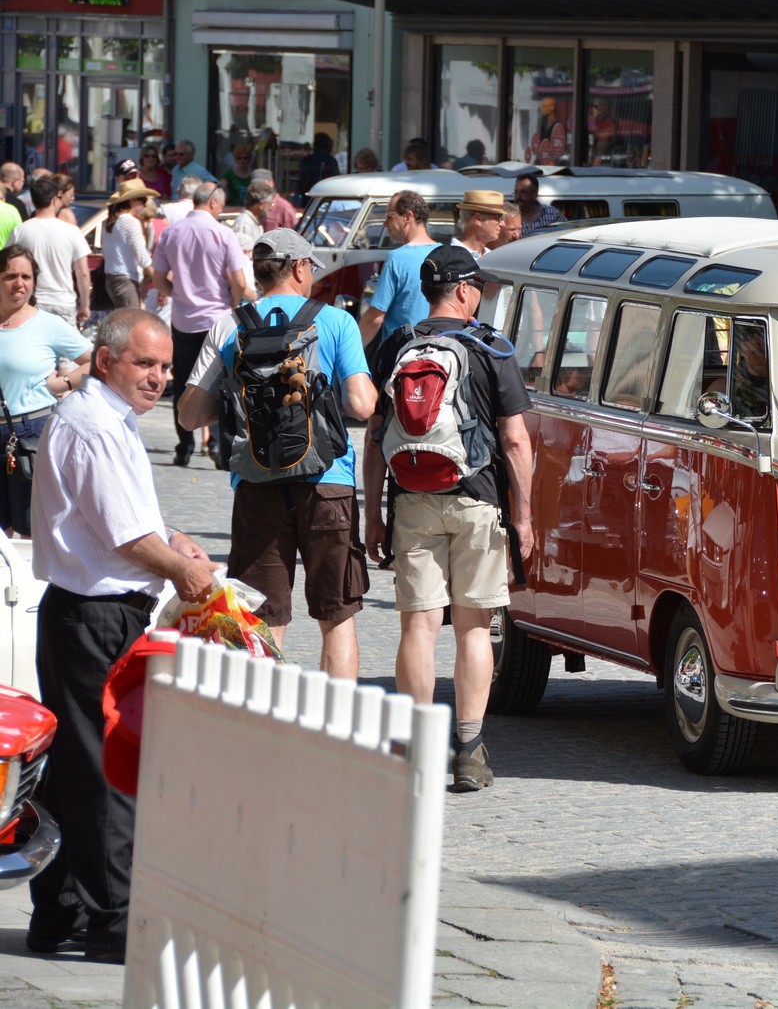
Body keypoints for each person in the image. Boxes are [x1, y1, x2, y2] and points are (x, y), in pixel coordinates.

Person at [28, 309, 218, 964]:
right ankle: (114, 920)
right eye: (146, 363)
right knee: (103, 770)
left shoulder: (106, 417)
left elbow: (130, 521)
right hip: (95, 613)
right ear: (107, 360)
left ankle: (61, 911)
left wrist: (174, 540)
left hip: (91, 611)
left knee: (75, 769)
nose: (159, 377)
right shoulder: (94, 423)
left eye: (165, 366)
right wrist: (184, 571)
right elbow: (124, 537)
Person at [362, 245, 534, 792]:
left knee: (418, 625)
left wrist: (374, 514)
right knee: (473, 627)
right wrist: (525, 517)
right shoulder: (491, 348)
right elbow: (515, 440)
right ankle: (469, 750)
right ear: (463, 290)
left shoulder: (397, 344)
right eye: (477, 287)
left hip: (411, 498)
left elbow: (374, 436)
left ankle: (417, 748)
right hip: (477, 501)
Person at [177, 231, 377, 678]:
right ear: (301, 267)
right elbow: (362, 405)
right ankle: (336, 717)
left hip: (257, 484)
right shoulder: (336, 321)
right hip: (327, 483)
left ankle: (264, 715)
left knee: (262, 618)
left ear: (259, 273)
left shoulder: (228, 326)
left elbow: (190, 417)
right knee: (337, 616)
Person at [153, 182, 252, 466]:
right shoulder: (223, 233)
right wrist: (233, 302)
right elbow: (239, 281)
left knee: (183, 384)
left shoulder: (171, 233)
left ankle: (184, 446)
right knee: (221, 384)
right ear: (213, 202)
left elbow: (158, 279)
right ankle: (218, 447)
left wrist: (178, 294)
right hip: (217, 321)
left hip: (184, 319)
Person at [0, 246, 91, 536]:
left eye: (26, 276)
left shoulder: (48, 325)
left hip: (31, 433)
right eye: (10, 276)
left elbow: (99, 362)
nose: (19, 283)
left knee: (31, 528)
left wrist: (64, 384)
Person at [361, 191, 439, 347]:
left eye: (389, 217)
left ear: (408, 216)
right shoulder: (445, 254)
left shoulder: (397, 258)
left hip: (403, 352)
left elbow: (374, 318)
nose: (385, 223)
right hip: (441, 350)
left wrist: (349, 352)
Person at [11, 174, 91, 327]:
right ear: (55, 199)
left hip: (32, 302)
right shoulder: (72, 231)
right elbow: (83, 272)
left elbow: (8, 267)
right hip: (63, 301)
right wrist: (85, 304)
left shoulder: (19, 231)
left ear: (34, 200)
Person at [101, 180, 156, 311]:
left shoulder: (110, 221)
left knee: (124, 318)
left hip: (112, 279)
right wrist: (157, 279)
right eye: (143, 200)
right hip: (125, 279)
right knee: (130, 320)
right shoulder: (130, 221)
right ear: (133, 200)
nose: (145, 204)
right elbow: (141, 255)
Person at [453, 189, 508, 255]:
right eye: (498, 217)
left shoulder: (491, 256)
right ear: (477, 218)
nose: (502, 224)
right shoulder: (448, 256)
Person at [297, 133, 341, 199]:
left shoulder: (307, 159)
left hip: (308, 194)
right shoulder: (330, 160)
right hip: (325, 194)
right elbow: (334, 178)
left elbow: (302, 179)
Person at [232, 183, 274, 247]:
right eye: (271, 204)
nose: (271, 208)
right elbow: (244, 251)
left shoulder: (254, 222)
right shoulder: (244, 224)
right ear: (261, 205)